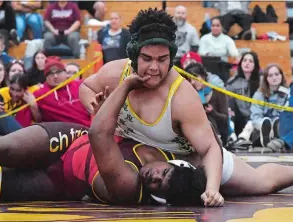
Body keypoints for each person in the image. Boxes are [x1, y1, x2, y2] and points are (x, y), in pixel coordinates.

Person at [0, 74, 293, 206]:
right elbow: (256, 176)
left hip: (63, 176)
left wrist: (128, 84)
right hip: (66, 139)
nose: (155, 178)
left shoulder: (129, 186)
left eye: (158, 187)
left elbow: (98, 133)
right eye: (164, 174)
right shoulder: (184, 152)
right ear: (173, 160)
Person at [79, 8, 224, 206]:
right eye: (147, 59)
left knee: (259, 182)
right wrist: (97, 109)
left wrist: (213, 189)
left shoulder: (181, 95)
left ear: (171, 58)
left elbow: (209, 148)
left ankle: (282, 173)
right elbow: (86, 86)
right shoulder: (116, 72)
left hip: (181, 160)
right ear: (133, 55)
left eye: (162, 60)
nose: (154, 68)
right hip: (140, 152)